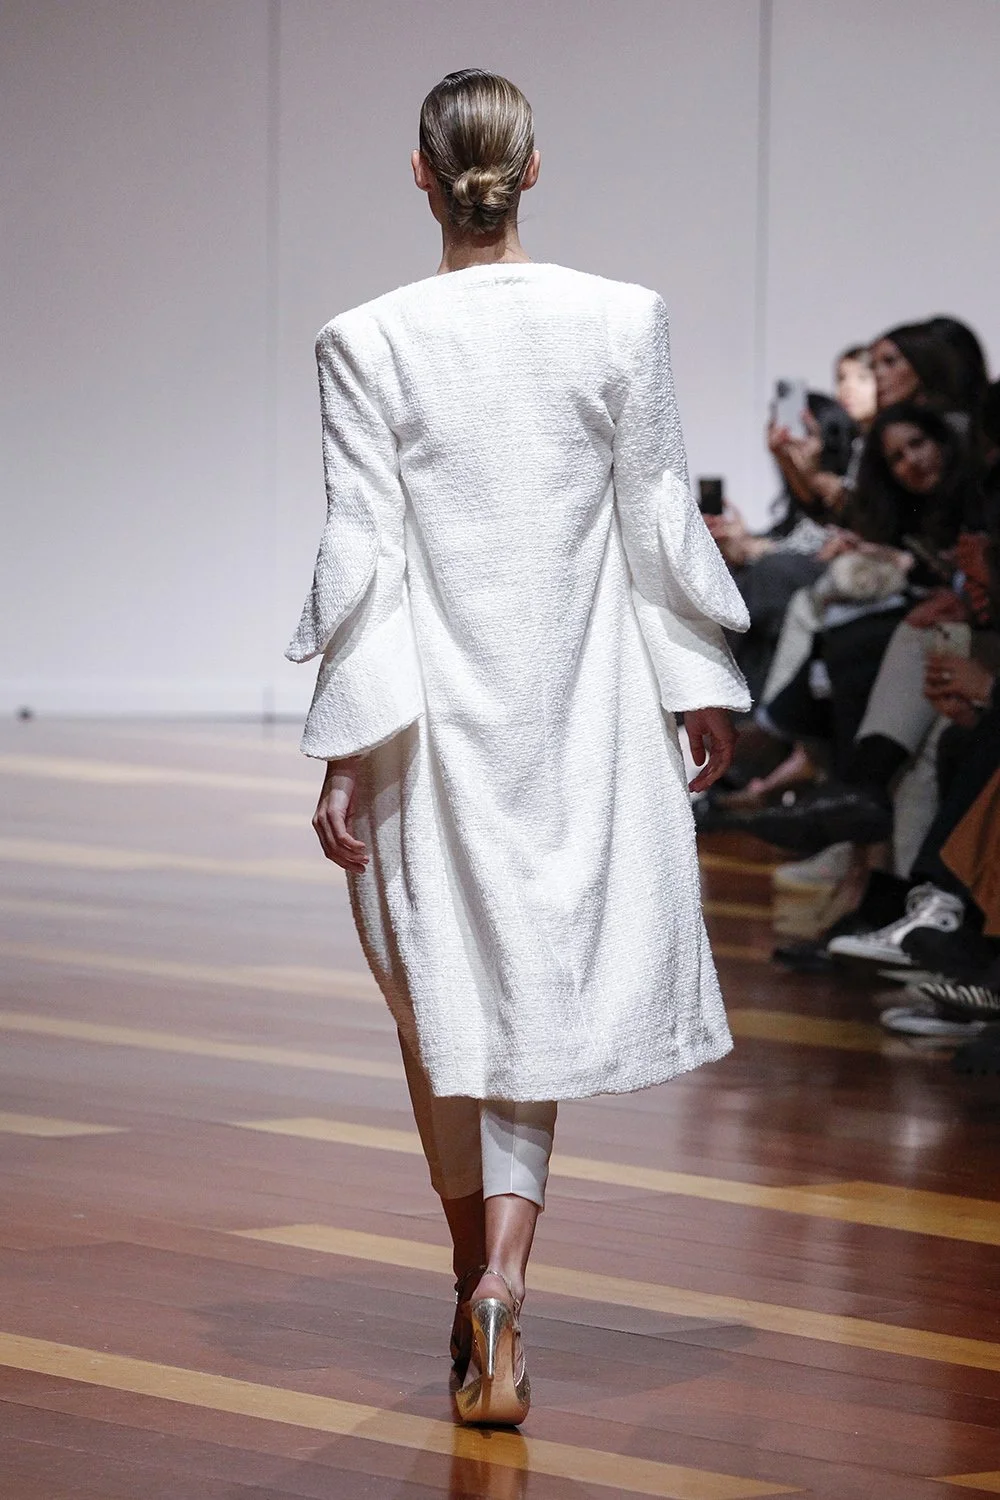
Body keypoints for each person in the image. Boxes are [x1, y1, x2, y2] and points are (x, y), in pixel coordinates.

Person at [286, 69, 750, 1427]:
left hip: (424, 717)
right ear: (532, 170)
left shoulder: (365, 338)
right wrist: (696, 683)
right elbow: (656, 516)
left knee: (446, 999)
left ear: (420, 175)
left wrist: (343, 745)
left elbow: (364, 551)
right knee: (528, 996)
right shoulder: (621, 320)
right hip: (578, 706)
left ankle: (469, 1281)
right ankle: (501, 1278)